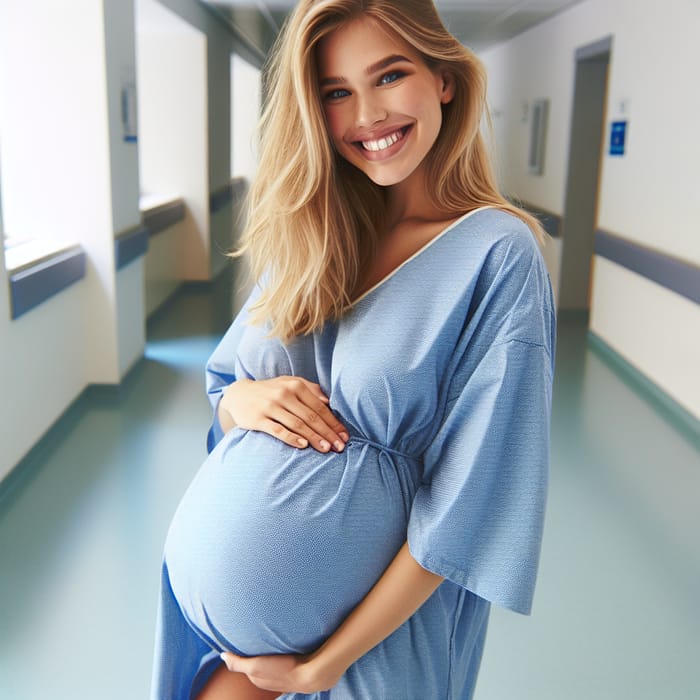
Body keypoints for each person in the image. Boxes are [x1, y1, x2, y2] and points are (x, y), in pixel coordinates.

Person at [150, 0, 556, 698]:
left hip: (369, 644)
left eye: (390, 75)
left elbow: (467, 507)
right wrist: (246, 398)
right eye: (336, 92)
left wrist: (323, 664)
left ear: (445, 78)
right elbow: (225, 396)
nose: (366, 114)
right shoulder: (318, 229)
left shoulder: (498, 253)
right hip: (224, 652)